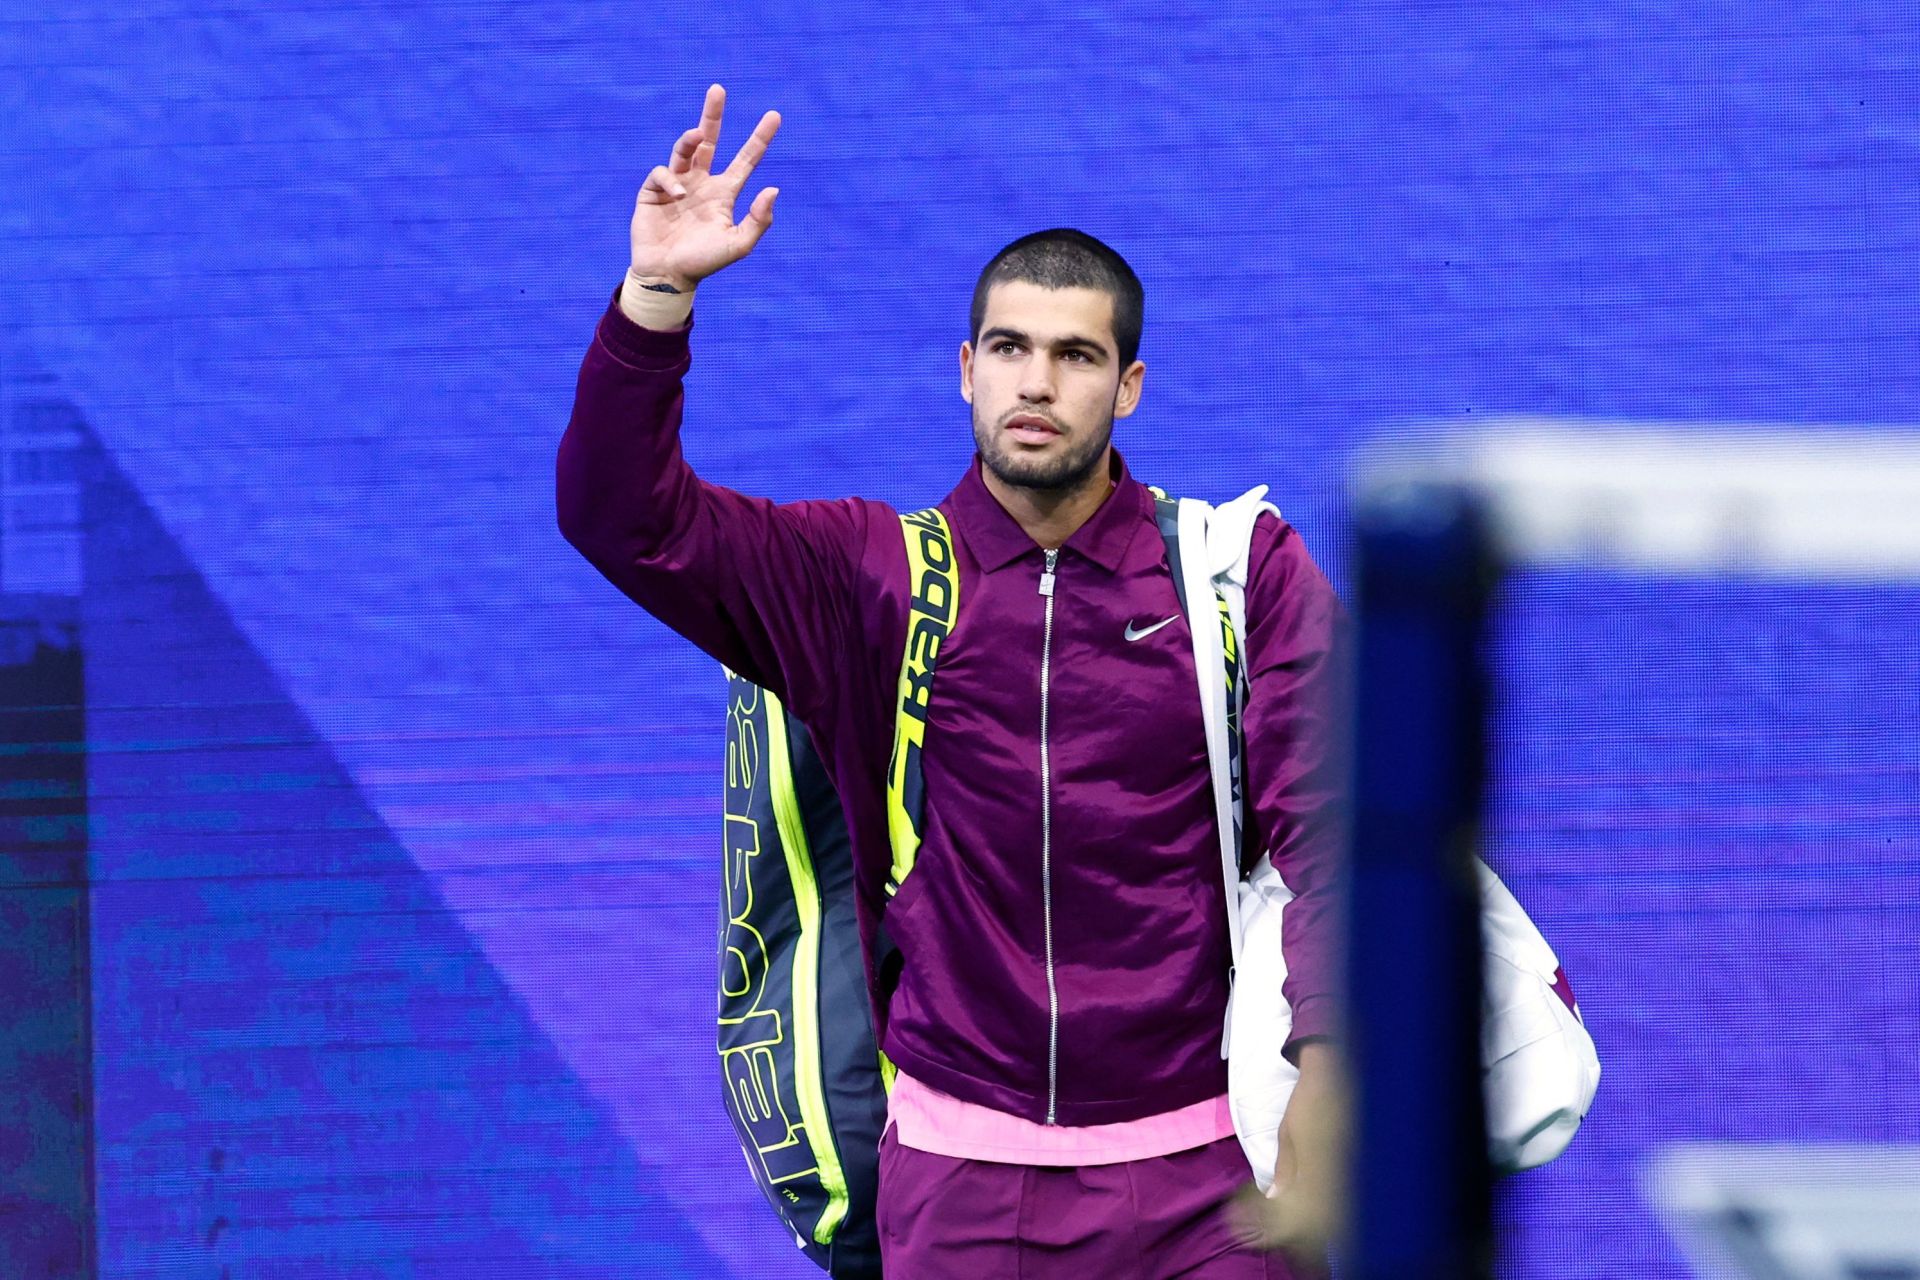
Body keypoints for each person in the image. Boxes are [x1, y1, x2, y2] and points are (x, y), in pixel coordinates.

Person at [556, 83, 1350, 1279]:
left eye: (1077, 355)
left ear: (1128, 385)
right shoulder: (865, 573)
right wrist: (655, 299)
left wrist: (1330, 1081)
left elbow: (1340, 837)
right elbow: (621, 517)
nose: (1038, 383)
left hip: (1208, 1184)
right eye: (1011, 350)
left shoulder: (1241, 573)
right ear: (965, 369)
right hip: (958, 1188)